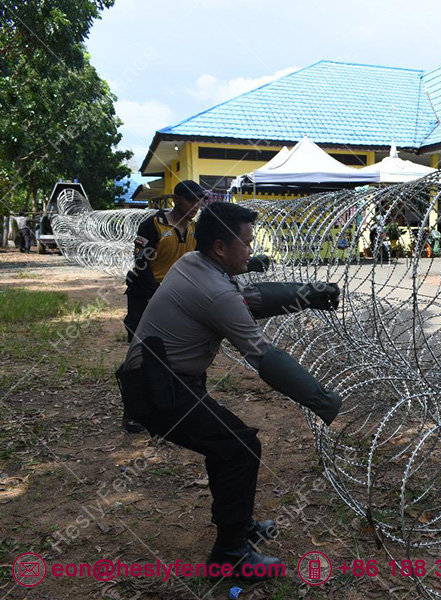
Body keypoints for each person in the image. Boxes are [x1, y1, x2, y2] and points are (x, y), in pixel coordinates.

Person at [115, 202, 342, 577]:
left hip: (164, 380)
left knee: (229, 447)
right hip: (158, 391)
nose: (251, 250)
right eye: (247, 243)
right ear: (221, 247)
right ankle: (231, 554)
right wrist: (322, 400)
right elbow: (263, 355)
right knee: (239, 447)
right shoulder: (213, 290)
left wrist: (308, 294)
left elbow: (250, 298)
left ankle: (237, 530)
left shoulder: (193, 263)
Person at [123, 180, 205, 344]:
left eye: (198, 201)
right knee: (143, 346)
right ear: (176, 199)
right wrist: (158, 295)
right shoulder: (154, 225)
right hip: (146, 296)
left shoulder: (195, 230)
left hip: (177, 295)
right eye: (190, 200)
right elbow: (142, 264)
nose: (195, 206)